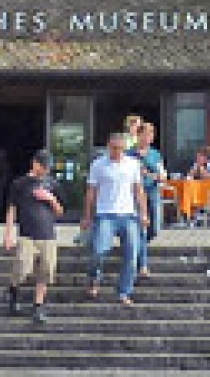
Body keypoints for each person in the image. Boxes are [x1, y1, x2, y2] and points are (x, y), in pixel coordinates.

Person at [82, 127, 148, 306]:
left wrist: (143, 213)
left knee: (132, 254)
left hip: (128, 214)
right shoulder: (98, 164)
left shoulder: (133, 164)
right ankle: (94, 278)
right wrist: (87, 216)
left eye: (120, 148)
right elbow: (91, 191)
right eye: (113, 148)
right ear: (108, 147)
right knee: (98, 250)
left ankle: (124, 291)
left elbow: (138, 189)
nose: (116, 152)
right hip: (105, 214)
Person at [3, 148, 63, 326]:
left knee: (46, 270)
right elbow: (12, 209)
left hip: (47, 233)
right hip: (26, 233)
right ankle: (13, 292)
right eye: (43, 166)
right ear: (35, 163)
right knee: (23, 266)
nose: (45, 171)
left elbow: (60, 211)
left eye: (48, 168)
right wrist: (8, 233)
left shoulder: (52, 184)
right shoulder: (20, 184)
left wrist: (50, 199)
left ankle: (38, 305)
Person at [131, 117, 166, 269]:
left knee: (155, 228)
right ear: (139, 135)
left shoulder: (155, 154)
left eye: (151, 135)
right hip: (136, 194)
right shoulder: (130, 154)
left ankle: (137, 246)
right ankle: (142, 264)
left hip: (152, 191)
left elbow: (163, 175)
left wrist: (150, 175)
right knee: (142, 229)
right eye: (146, 134)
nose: (149, 138)